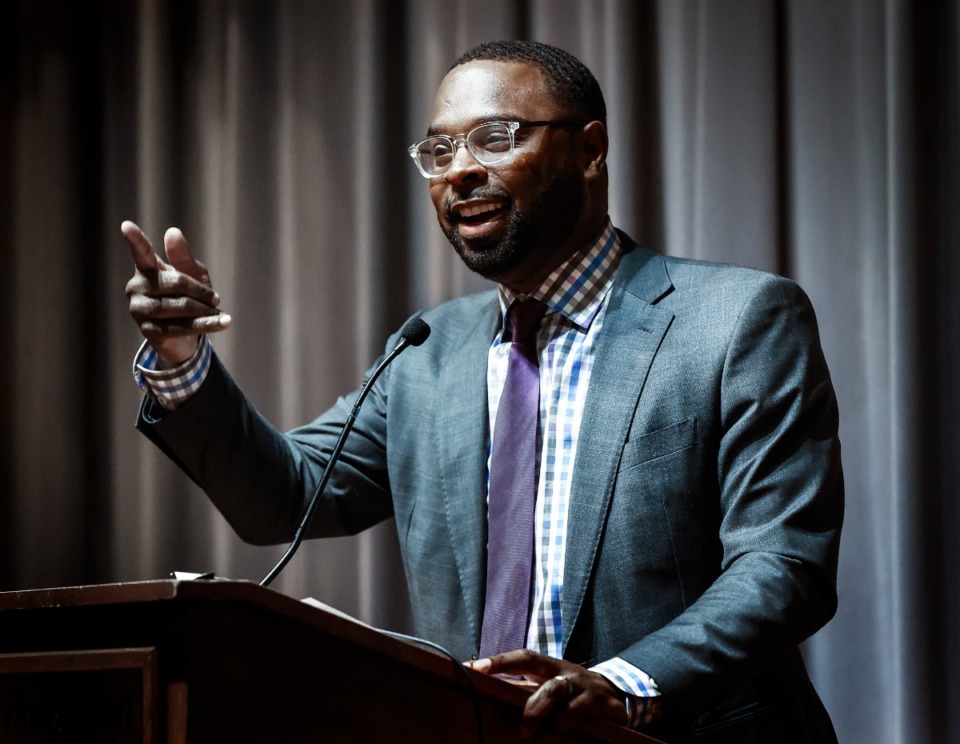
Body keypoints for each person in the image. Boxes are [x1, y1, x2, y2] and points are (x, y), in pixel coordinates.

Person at [123, 40, 843, 743]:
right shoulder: (426, 355)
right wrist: (182, 355)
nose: (459, 172)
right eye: (438, 152)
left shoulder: (735, 319)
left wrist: (625, 684)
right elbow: (281, 497)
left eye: (495, 139)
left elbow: (782, 565)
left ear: (589, 150)